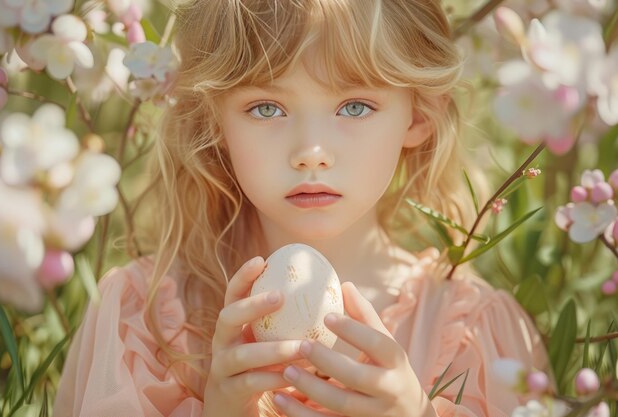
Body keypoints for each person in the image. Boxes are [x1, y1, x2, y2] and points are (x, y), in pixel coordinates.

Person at [53, 0, 550, 416]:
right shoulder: (141, 326)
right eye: (266, 107)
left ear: (419, 113)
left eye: (354, 105)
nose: (311, 150)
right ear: (215, 121)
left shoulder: (479, 339)